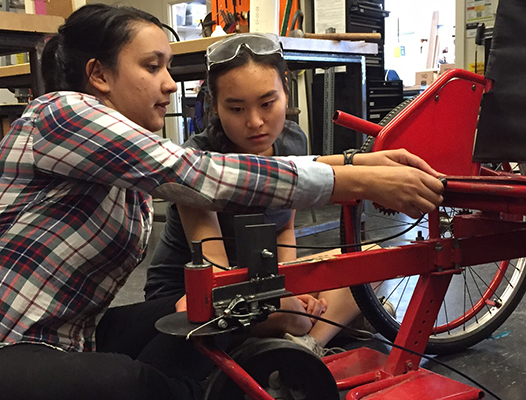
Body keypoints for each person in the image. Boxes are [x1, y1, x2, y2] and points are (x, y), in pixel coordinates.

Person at [0, 4, 445, 400]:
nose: (167, 83)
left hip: (66, 340)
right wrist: (355, 179)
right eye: (152, 66)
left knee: (220, 313)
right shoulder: (60, 114)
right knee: (125, 382)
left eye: (167, 68)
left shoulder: (135, 168)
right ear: (99, 76)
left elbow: (234, 183)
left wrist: (362, 164)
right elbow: (203, 177)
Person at [144, 33, 392, 356]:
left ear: (286, 92)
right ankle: (304, 330)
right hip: (195, 295)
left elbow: (283, 227)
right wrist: (287, 302)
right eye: (236, 108)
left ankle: (306, 344)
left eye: (267, 103)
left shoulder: (292, 142)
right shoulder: (196, 161)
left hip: (259, 281)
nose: (256, 122)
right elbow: (218, 280)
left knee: (373, 260)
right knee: (288, 311)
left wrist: (287, 288)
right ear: (214, 106)